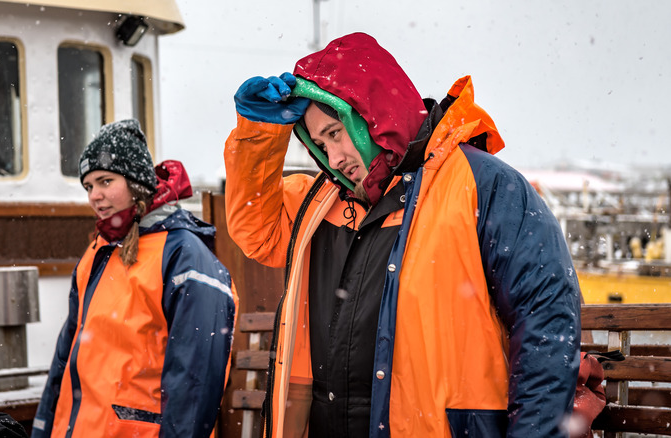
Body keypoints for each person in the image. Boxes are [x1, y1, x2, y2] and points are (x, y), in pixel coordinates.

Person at [223, 33, 580, 437]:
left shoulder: (482, 183)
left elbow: (546, 316)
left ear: (372, 113)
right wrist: (259, 134)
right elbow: (256, 231)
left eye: (336, 132)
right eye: (319, 144)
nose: (333, 158)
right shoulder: (318, 202)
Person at [32, 119, 238, 438]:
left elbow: (195, 379)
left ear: (137, 183)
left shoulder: (184, 256)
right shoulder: (96, 253)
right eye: (88, 186)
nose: (95, 196)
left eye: (105, 181)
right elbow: (65, 358)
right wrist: (42, 428)